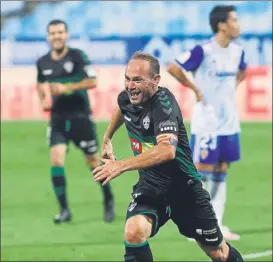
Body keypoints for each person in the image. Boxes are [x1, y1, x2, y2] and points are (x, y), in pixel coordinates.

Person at [93, 51, 244, 262]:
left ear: (155, 81)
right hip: (151, 187)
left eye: (137, 80)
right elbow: (121, 107)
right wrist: (107, 137)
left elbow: (167, 150)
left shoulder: (164, 105)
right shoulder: (127, 97)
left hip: (185, 190)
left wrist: (121, 165)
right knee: (134, 232)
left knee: (218, 252)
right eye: (127, 79)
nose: (130, 86)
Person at [167, 5, 247, 241]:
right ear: (222, 25)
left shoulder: (238, 52)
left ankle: (217, 224)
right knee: (202, 173)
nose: (238, 24)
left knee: (223, 170)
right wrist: (195, 89)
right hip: (208, 123)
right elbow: (173, 66)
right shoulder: (204, 51)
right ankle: (195, 223)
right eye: (234, 20)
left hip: (229, 122)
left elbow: (242, 70)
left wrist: (232, 89)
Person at [36, 19, 115, 224]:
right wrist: (44, 99)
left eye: (60, 32)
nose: (57, 36)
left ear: (67, 35)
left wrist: (67, 87)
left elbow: (92, 81)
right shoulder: (43, 62)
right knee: (56, 159)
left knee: (92, 162)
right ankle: (64, 210)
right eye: (53, 33)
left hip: (80, 117)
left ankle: (108, 199)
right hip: (58, 119)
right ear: (48, 37)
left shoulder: (78, 56)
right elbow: (41, 84)